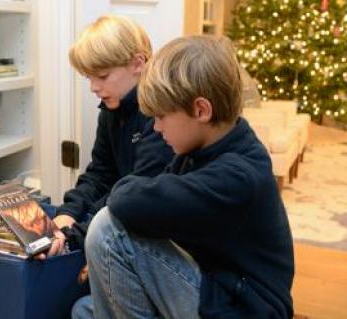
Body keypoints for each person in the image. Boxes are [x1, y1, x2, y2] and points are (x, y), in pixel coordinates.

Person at [74, 36, 295, 318]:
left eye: (161, 117)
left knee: (108, 229)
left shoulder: (238, 175)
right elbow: (143, 196)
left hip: (242, 308)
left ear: (201, 110)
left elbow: (126, 201)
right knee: (83, 310)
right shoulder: (203, 149)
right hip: (213, 284)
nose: (155, 128)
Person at [46, 15, 174, 257]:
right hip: (119, 216)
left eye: (102, 76)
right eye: (89, 77)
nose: (94, 87)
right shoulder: (111, 109)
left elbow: (136, 193)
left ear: (138, 63)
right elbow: (100, 173)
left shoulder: (161, 116)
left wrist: (74, 236)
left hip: (154, 235)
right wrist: (67, 214)